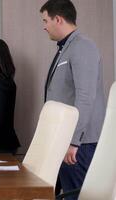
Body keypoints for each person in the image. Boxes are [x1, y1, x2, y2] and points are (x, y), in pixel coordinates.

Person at [40, 0, 106, 198]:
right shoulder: (66, 48)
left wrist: (74, 142)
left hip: (79, 144)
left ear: (58, 19)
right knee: (65, 193)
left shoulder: (83, 46)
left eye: (45, 20)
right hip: (65, 140)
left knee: (77, 195)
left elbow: (85, 98)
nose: (44, 26)